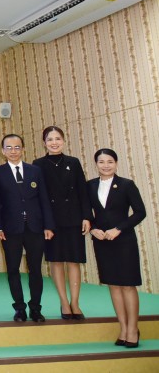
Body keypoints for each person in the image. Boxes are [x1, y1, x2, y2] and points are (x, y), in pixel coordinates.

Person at [0, 133, 55, 323]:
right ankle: (19, 308)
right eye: (9, 147)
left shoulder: (35, 171)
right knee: (13, 269)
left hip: (35, 228)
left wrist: (48, 225)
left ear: (23, 149)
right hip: (10, 230)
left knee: (35, 269)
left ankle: (36, 308)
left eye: (17, 147)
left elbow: (44, 199)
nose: (13, 151)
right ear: (3, 151)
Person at [87, 149, 146, 349]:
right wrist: (93, 229)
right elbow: (86, 213)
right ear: (96, 164)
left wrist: (118, 229)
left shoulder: (127, 185)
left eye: (110, 161)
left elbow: (140, 212)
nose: (106, 165)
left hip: (124, 240)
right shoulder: (90, 185)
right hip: (102, 241)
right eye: (101, 162)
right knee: (113, 285)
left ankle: (133, 329)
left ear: (116, 163)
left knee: (127, 285)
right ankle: (123, 328)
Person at [32, 126, 90, 320]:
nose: (54, 142)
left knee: (74, 261)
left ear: (63, 141)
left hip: (74, 219)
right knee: (56, 261)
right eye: (50, 139)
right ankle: (64, 302)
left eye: (57, 138)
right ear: (44, 143)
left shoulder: (74, 162)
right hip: (51, 221)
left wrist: (86, 217)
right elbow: (38, 196)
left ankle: (75, 302)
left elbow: (82, 191)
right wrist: (44, 223)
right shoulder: (38, 164)